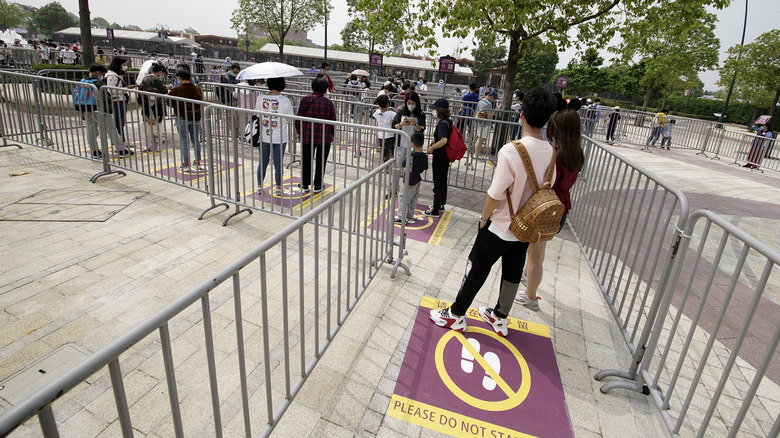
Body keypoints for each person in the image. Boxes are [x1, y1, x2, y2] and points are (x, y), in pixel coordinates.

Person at [429, 87, 558, 336]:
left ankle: (456, 314)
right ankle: (500, 317)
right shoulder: (551, 150)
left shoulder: (512, 150)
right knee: (512, 273)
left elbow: (495, 193)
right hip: (527, 226)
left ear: (522, 116)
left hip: (500, 224)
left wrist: (483, 218)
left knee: (477, 268)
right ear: (548, 118)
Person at [515, 107, 584, 311]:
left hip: (544, 208)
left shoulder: (555, 155)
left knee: (536, 257)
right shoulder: (577, 154)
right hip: (559, 208)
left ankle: (530, 297)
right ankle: (527, 276)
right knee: (537, 252)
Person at [295, 77, 337, 193]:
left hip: (307, 136)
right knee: (321, 161)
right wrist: (332, 135)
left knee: (306, 160)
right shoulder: (329, 103)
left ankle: (304, 184)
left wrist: (299, 132)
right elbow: (332, 121)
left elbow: (298, 118)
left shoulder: (305, 100)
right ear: (325, 89)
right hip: (324, 137)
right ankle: (318, 185)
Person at [253, 77, 294, 195]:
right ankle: (278, 187)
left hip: (264, 135)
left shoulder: (261, 98)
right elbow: (290, 117)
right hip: (280, 136)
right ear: (282, 85)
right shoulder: (285, 100)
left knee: (263, 161)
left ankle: (259, 185)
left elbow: (257, 114)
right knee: (278, 163)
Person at [167, 70, 203, 172]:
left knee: (184, 140)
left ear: (179, 78)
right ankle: (198, 162)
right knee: (195, 139)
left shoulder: (177, 89)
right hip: (195, 117)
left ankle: (186, 163)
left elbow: (170, 103)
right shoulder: (197, 89)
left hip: (182, 117)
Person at [392, 92, 426, 192]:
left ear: (417, 103)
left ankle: (408, 190)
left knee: (411, 169)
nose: (410, 105)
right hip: (400, 144)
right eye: (409, 102)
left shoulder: (421, 114)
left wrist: (415, 124)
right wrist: (401, 124)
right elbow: (394, 126)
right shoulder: (401, 112)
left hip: (414, 146)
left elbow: (421, 129)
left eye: (413, 103)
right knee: (397, 168)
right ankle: (393, 189)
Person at [424, 98, 452, 217]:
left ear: (439, 110)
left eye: (435, 109)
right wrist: (435, 140)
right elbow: (444, 137)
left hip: (440, 156)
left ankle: (435, 209)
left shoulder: (442, 123)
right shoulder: (448, 122)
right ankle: (440, 204)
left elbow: (444, 140)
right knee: (442, 181)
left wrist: (432, 148)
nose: (434, 111)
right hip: (445, 157)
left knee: (438, 182)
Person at [104, 57, 135, 157]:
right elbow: (111, 90)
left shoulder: (117, 75)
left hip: (121, 100)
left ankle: (121, 142)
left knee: (121, 122)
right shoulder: (112, 76)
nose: (125, 67)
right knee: (118, 123)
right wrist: (126, 89)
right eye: (124, 65)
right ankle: (119, 145)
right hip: (117, 101)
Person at [76, 64, 108, 159]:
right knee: (108, 128)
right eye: (102, 74)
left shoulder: (83, 81)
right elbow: (106, 97)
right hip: (97, 109)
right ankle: (120, 149)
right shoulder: (98, 84)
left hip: (86, 108)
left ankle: (94, 150)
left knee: (90, 130)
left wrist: (82, 111)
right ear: (98, 72)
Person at [395, 132, 428, 224]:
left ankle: (401, 217)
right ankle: (410, 215)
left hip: (409, 179)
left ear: (412, 144)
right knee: (414, 198)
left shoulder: (411, 155)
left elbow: (403, 164)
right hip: (417, 179)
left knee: (403, 198)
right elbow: (425, 168)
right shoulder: (424, 156)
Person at [140, 63, 170, 151]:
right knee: (157, 124)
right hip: (157, 101)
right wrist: (166, 87)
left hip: (146, 100)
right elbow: (162, 90)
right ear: (160, 72)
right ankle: (157, 138)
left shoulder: (146, 77)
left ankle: (151, 142)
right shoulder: (155, 79)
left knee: (148, 125)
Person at [471, 90, 498, 166]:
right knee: (481, 139)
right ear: (492, 97)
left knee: (479, 138)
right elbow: (489, 116)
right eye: (494, 99)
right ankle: (476, 154)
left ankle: (476, 154)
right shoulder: (488, 104)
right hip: (485, 123)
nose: (494, 100)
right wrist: (495, 109)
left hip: (480, 122)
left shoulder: (481, 101)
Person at [372, 94, 397, 163]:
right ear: (387, 104)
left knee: (384, 152)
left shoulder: (377, 112)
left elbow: (374, 115)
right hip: (389, 135)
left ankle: (386, 165)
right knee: (391, 152)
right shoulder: (391, 113)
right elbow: (396, 118)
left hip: (380, 135)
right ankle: (392, 164)